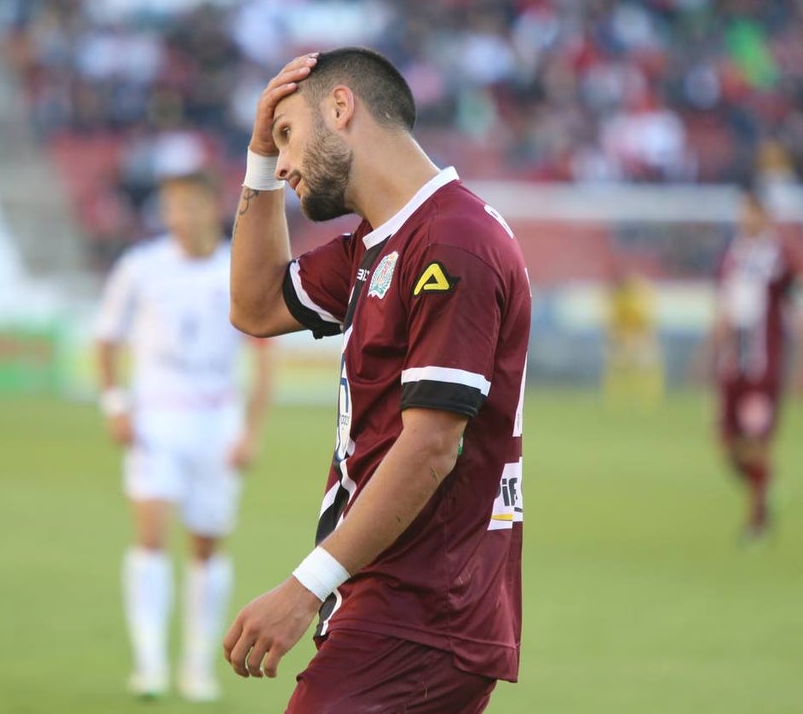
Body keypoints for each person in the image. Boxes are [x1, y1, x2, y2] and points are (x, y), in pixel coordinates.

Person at [223, 47, 531, 713]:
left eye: (287, 136)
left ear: (341, 107)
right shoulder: (381, 241)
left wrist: (303, 586)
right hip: (395, 600)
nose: (283, 163)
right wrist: (256, 155)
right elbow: (254, 303)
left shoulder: (452, 241)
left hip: (422, 605)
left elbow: (430, 446)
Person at [94, 171, 274, 701]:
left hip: (216, 423)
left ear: (212, 208)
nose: (180, 218)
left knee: (206, 546)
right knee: (150, 537)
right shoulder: (140, 267)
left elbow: (265, 356)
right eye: (171, 208)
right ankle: (149, 663)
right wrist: (115, 404)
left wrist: (250, 431)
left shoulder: (237, 269)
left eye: (190, 207)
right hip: (156, 421)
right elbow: (106, 339)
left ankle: (197, 666)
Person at [695, 187, 803, 544]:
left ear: (763, 215)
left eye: (748, 211)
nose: (742, 218)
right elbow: (725, 312)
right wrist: (707, 356)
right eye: (740, 212)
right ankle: (766, 484)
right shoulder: (731, 256)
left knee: (754, 442)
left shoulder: (781, 257)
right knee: (726, 446)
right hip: (733, 367)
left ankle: (758, 523)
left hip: (763, 368)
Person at [602, 264, 663, 409]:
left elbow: (646, 319)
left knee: (644, 369)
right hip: (622, 338)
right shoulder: (615, 297)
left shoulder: (639, 295)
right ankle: (617, 400)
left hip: (640, 337)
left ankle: (648, 399)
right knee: (618, 370)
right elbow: (611, 320)